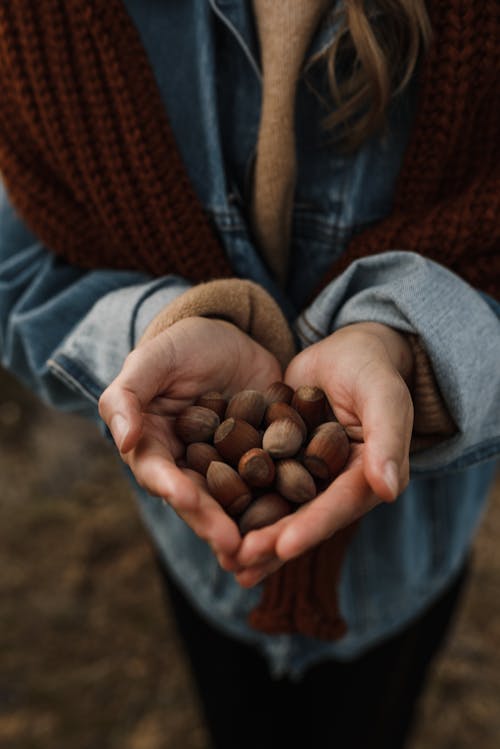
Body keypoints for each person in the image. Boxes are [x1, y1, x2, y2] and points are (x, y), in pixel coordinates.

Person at [0, 1, 498, 747]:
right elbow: (18, 262)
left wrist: (414, 350)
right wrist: (156, 332)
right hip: (201, 560)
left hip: (403, 566)